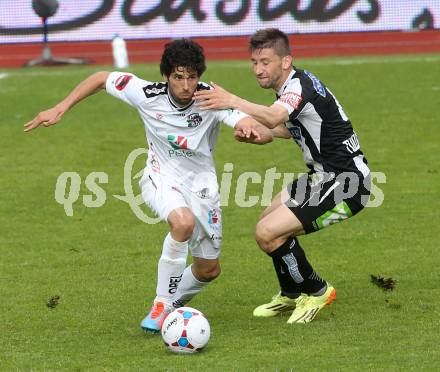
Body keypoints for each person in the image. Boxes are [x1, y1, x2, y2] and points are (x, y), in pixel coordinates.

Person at [24, 39, 271, 332]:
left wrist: (251, 133)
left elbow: (259, 129)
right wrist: (61, 106)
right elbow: (101, 78)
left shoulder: (211, 99)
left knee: (208, 270)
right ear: (166, 75)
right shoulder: (145, 93)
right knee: (182, 222)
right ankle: (161, 305)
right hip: (160, 178)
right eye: (179, 77)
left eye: (192, 76)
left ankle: (171, 302)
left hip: (202, 187)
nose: (186, 85)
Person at [194, 28, 371, 324]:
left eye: (265, 61)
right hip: (323, 177)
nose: (258, 69)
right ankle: (290, 293)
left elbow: (276, 116)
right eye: (254, 62)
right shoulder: (293, 84)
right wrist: (257, 134)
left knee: (269, 233)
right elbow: (288, 128)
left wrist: (232, 100)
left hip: (347, 184)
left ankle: (317, 290)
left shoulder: (298, 87)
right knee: (266, 223)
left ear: (285, 61)